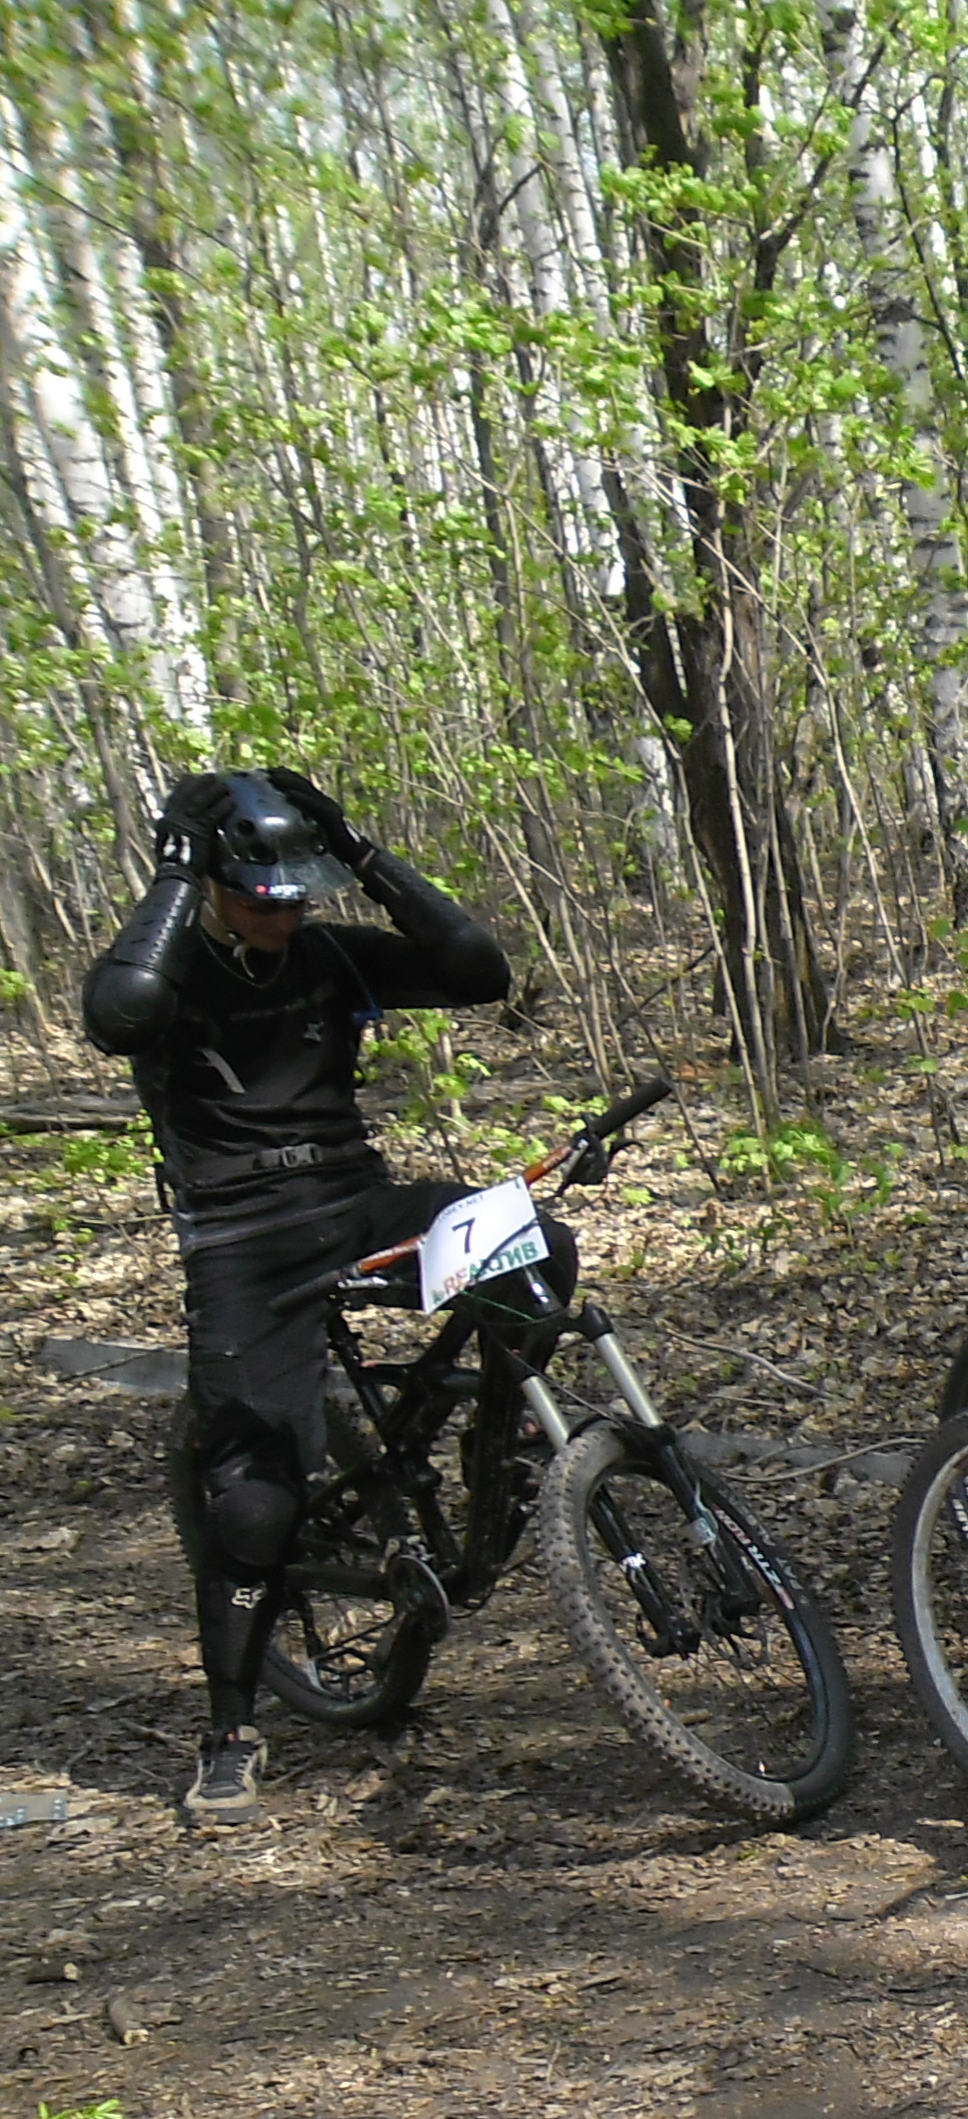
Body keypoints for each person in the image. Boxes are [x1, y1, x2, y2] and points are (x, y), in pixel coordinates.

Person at [81, 768, 533, 1829]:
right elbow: (120, 1014)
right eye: (258, 902)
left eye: (295, 899)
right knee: (255, 1505)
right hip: (243, 1244)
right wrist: (176, 871)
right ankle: (231, 1731)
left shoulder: (328, 952)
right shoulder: (169, 965)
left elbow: (476, 971)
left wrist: (359, 848)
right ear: (213, 887)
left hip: (357, 1201)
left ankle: (486, 1449)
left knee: (533, 1248)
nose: (280, 920)